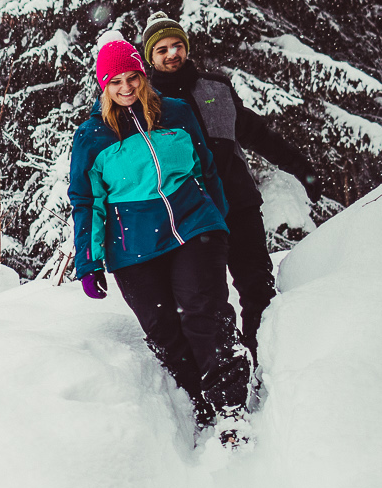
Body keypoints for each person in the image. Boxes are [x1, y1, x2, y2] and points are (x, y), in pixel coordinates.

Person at [70, 33, 248, 427]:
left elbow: (205, 167)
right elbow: (87, 202)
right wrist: (89, 260)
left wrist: (216, 216)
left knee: (203, 313)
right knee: (163, 329)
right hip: (132, 245)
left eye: (131, 77)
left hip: (192, 225)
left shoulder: (177, 112)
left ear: (143, 74)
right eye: (115, 82)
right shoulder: (91, 136)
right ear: (104, 87)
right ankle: (198, 404)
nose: (126, 87)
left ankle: (231, 408)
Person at [138, 13, 321, 359]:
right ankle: (226, 366)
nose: (171, 54)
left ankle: (266, 360)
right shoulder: (145, 102)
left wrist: (301, 168)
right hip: (191, 216)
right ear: (150, 57)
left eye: (177, 45)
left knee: (257, 288)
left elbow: (256, 133)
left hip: (238, 204)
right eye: (161, 49)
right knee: (204, 300)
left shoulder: (216, 88)